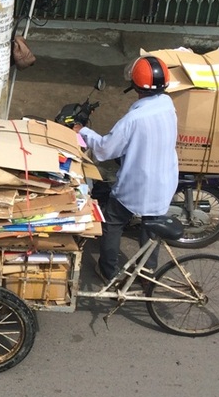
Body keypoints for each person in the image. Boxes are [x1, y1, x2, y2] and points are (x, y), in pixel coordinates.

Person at [73, 55, 178, 281]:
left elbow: (105, 149)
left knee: (112, 221)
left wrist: (82, 131)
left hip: (138, 185)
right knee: (151, 228)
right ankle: (148, 275)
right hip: (165, 180)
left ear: (135, 85)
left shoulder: (134, 119)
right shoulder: (168, 104)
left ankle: (108, 271)